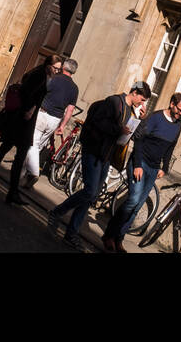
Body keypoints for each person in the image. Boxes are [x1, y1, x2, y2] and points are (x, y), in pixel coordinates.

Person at [48, 81, 151, 251]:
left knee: (92, 195)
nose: (142, 102)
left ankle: (71, 233)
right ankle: (57, 212)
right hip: (94, 152)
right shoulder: (113, 102)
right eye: (142, 98)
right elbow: (98, 122)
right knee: (89, 191)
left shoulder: (131, 112)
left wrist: (141, 119)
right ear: (134, 92)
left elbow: (134, 135)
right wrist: (119, 129)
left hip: (107, 156)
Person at [102, 92, 181, 253]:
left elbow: (170, 147)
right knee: (133, 199)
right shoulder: (155, 118)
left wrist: (165, 168)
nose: (180, 113)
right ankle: (109, 235)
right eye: (179, 109)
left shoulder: (179, 124)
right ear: (171, 104)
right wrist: (137, 165)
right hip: (140, 162)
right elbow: (139, 140)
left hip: (154, 168)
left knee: (137, 206)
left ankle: (119, 239)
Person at [0, 55, 62, 205]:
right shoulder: (40, 75)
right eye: (55, 68)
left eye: (59, 69)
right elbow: (27, 93)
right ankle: (10, 192)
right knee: (18, 155)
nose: (56, 71)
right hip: (23, 120)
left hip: (20, 120)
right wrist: (30, 109)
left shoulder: (39, 73)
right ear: (48, 65)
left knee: (7, 149)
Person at [23, 58, 79, 190]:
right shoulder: (75, 88)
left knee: (32, 144)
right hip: (55, 120)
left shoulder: (54, 78)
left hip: (42, 113)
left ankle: (34, 173)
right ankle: (22, 177)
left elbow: (41, 93)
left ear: (63, 67)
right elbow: (70, 110)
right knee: (38, 146)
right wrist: (62, 126)